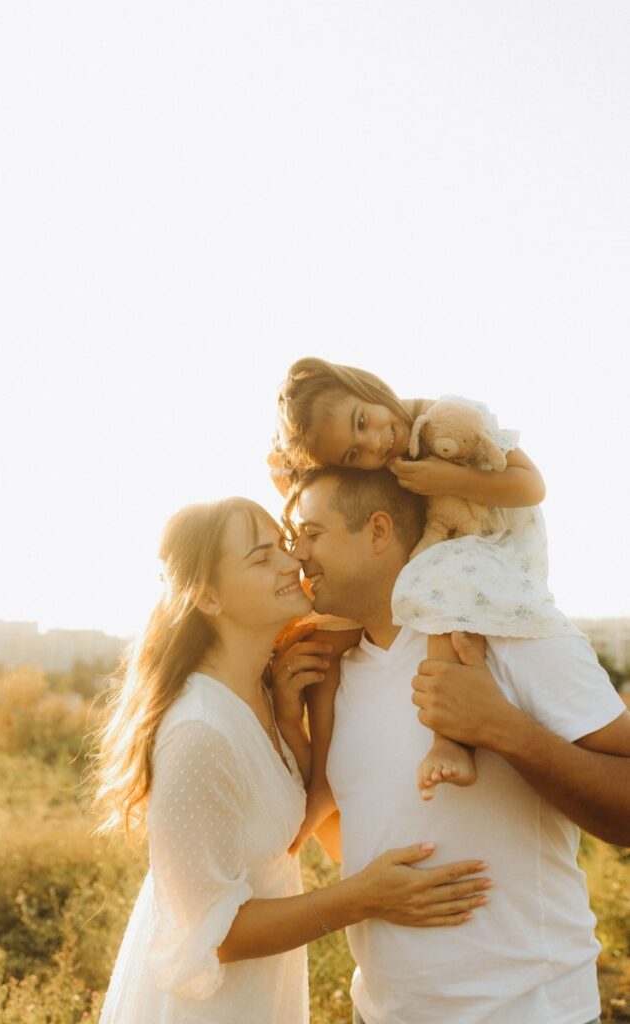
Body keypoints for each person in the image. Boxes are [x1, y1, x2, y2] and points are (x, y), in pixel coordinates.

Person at [94, 496, 492, 1024]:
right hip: (206, 1008)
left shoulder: (260, 694)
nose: (291, 562)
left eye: (283, 546)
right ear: (208, 598)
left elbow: (287, 829)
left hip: (260, 996)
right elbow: (214, 936)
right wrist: (364, 897)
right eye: (262, 558)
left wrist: (287, 722)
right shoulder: (197, 732)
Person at [274, 464, 630, 1024]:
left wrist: (502, 729)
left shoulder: (507, 631)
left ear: (378, 530)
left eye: (312, 534)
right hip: (385, 1012)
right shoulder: (342, 672)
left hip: (527, 1011)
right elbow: (359, 844)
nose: (299, 557)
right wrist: (294, 735)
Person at [270, 356, 581, 854]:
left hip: (485, 540)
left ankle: (448, 739)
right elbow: (345, 505)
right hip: (432, 545)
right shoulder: (371, 462)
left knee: (435, 597)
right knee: (321, 639)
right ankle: (324, 779)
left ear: (367, 385)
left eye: (363, 421)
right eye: (353, 451)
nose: (374, 442)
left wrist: (450, 481)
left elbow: (530, 486)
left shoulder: (446, 417)